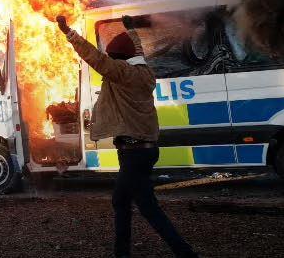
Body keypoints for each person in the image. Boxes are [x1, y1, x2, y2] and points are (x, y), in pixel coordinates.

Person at [57, 15, 197, 258]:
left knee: (148, 208)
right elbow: (138, 50)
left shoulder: (123, 73)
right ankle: (122, 253)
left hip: (133, 153)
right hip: (143, 150)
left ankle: (185, 252)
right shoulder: (144, 72)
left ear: (120, 60)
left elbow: (95, 58)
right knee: (120, 201)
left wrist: (70, 33)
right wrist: (132, 31)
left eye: (115, 58)